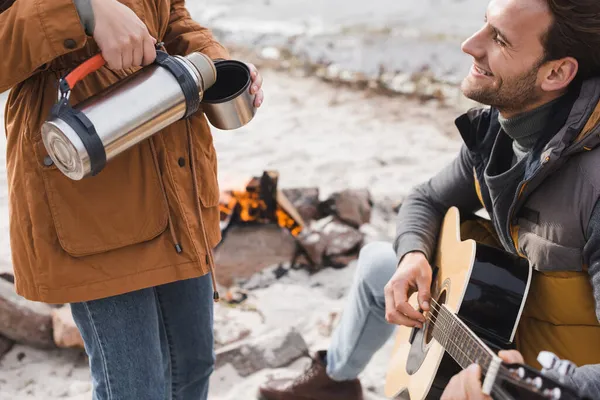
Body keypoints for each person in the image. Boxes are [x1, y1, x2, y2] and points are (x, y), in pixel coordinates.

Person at [258, 0, 600, 399]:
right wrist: (412, 258)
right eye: (483, 25)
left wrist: (522, 386)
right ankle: (336, 379)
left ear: (556, 72)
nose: (469, 45)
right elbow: (424, 198)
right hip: (493, 323)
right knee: (378, 263)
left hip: (542, 381)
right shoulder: (499, 132)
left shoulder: (593, 190)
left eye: (500, 40)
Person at [1, 0, 263, 399]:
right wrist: (83, 11)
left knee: (192, 368)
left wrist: (213, 63)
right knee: (135, 389)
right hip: (90, 196)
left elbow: (171, 15)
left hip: (177, 176)